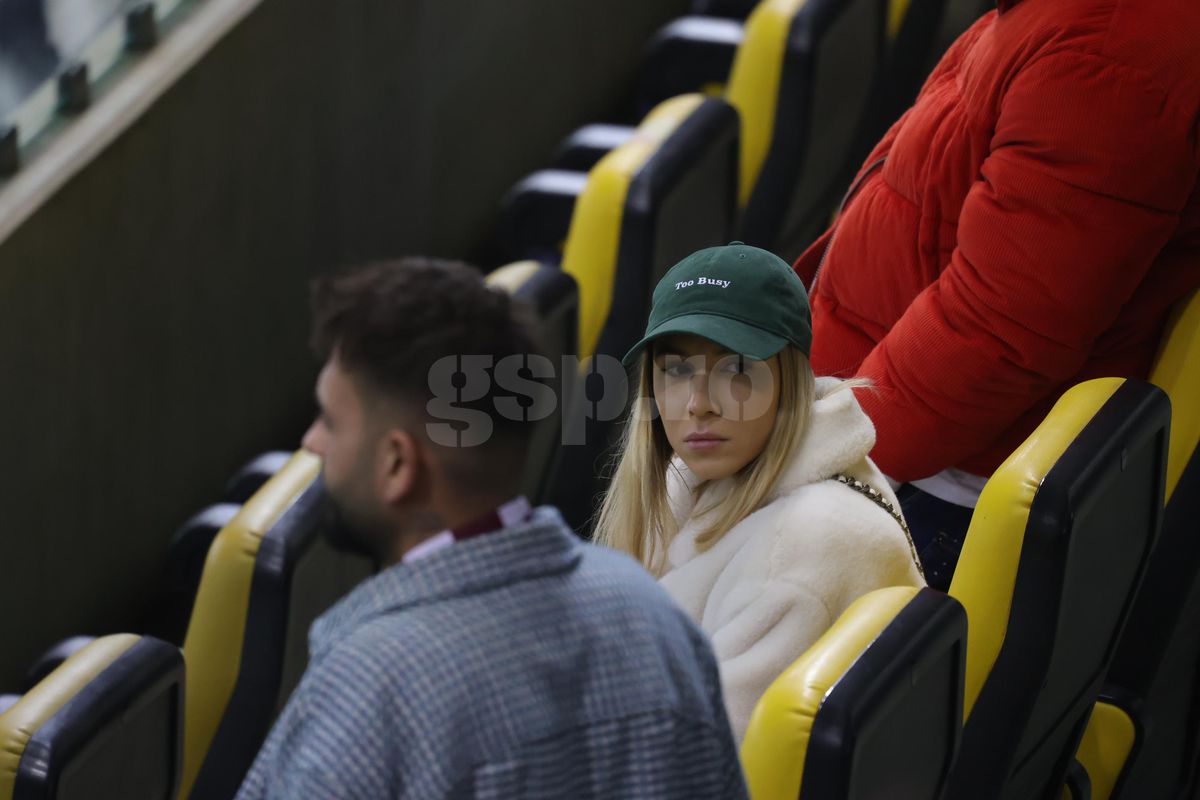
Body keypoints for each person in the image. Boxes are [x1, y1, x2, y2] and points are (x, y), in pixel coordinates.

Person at [236, 258, 748, 799]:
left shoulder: (362, 696)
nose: (312, 442)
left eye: (329, 421)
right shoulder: (655, 619)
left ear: (397, 465)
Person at [792, 0, 1200, 589]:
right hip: (878, 436)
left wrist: (812, 461)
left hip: (918, 490)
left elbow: (995, 334)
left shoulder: (1106, 57)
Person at [594, 242, 925, 744]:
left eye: (736, 370)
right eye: (677, 370)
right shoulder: (704, 472)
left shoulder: (801, 549)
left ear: (788, 381)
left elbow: (693, 761)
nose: (699, 403)